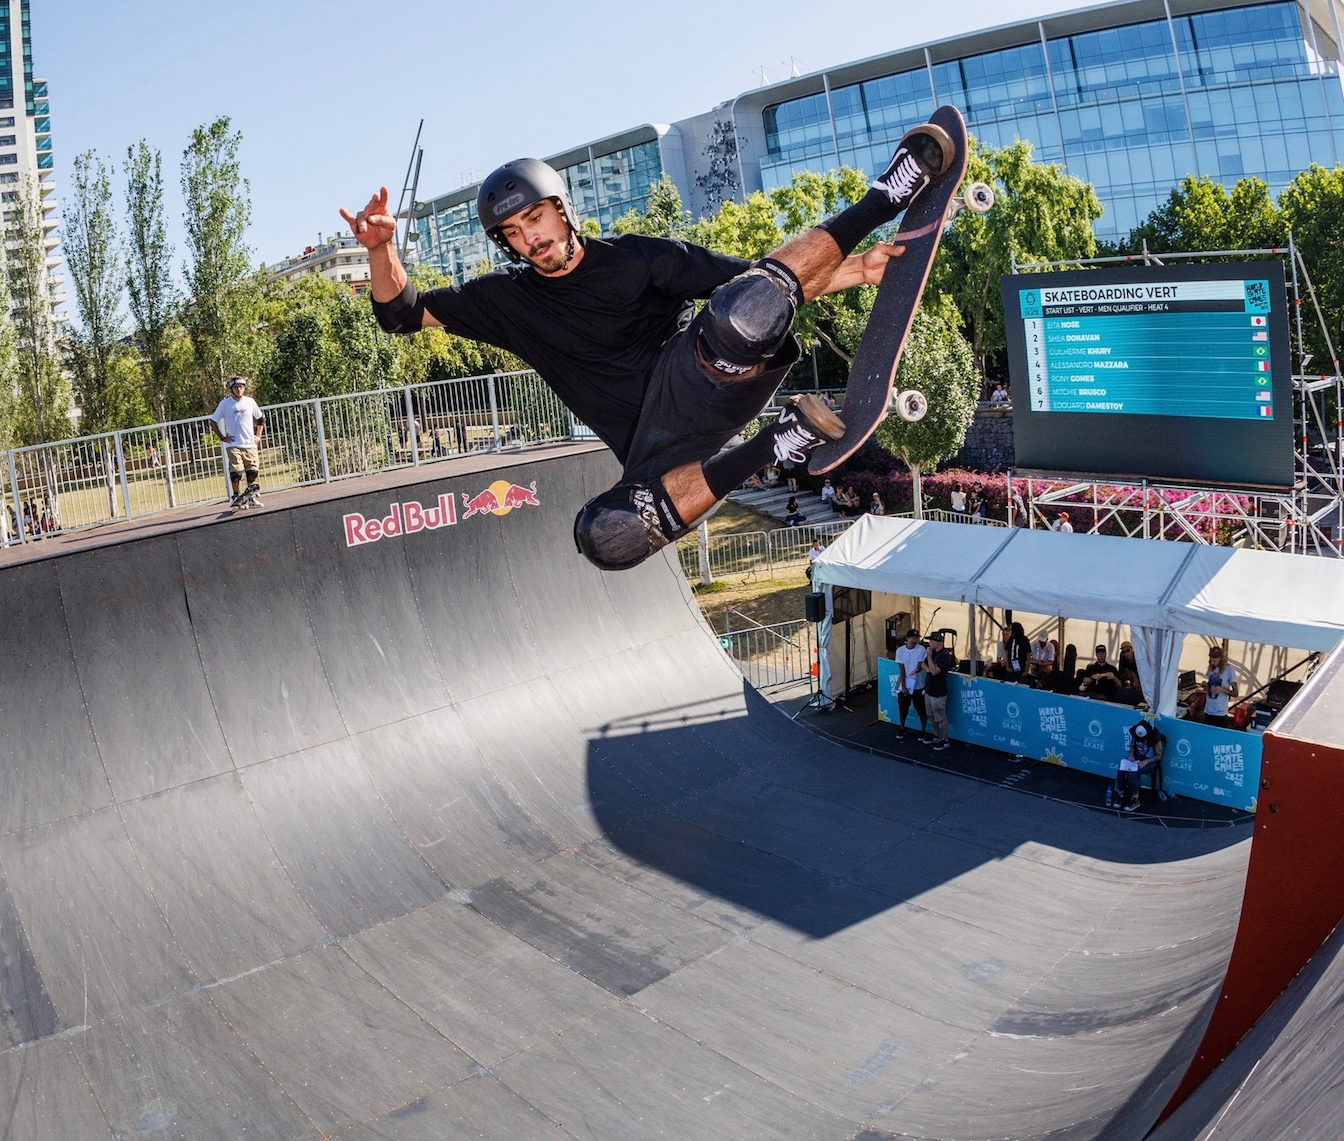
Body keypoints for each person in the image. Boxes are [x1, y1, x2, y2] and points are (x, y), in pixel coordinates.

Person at [342, 124, 956, 572]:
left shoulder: (640, 259)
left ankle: (885, 195)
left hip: (702, 375)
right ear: (506, 244)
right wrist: (379, 250)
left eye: (537, 219)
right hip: (655, 448)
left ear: (561, 210)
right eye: (515, 232)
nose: (532, 238)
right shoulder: (506, 302)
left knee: (743, 314)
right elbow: (401, 313)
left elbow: (762, 282)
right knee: (607, 538)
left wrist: (851, 270)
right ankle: (782, 443)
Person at [210, 376, 267, 508]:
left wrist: (258, 436)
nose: (239, 389)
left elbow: (261, 418)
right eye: (236, 387)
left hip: (250, 444)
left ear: (244, 388)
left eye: (241, 387)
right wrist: (223, 437)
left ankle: (251, 497)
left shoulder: (250, 402)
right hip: (233, 444)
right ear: (232, 389)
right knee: (237, 472)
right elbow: (213, 422)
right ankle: (236, 495)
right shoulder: (225, 404)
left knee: (252, 471)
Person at [1110, 719, 1162, 813]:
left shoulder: (1155, 736)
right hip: (1136, 758)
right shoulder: (1136, 732)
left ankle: (1135, 799)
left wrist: (1146, 761)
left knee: (1132, 774)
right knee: (1121, 768)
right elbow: (1132, 745)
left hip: (1149, 761)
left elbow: (1158, 756)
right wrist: (1131, 754)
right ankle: (1120, 794)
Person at [894, 626, 930, 740]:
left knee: (921, 708)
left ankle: (923, 729)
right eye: (912, 638)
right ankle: (902, 727)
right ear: (907, 638)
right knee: (903, 707)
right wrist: (903, 686)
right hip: (905, 682)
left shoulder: (921, 649)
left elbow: (921, 664)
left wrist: (919, 669)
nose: (914, 640)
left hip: (918, 684)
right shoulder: (900, 651)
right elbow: (902, 669)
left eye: (916, 638)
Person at [922, 629, 955, 749]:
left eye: (931, 641)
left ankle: (946, 740)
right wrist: (928, 668)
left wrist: (929, 658)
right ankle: (936, 734)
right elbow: (923, 664)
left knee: (941, 717)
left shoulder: (945, 656)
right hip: (929, 690)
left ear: (937, 642)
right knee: (931, 715)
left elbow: (935, 672)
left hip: (938, 692)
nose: (929, 643)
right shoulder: (933, 651)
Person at [1203, 645, 1238, 726]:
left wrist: (1222, 689)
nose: (1212, 663)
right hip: (1208, 709)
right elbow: (1210, 685)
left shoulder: (1229, 669)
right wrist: (1205, 685)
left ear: (1221, 659)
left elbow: (1235, 693)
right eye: (1211, 660)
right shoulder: (1211, 667)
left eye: (1214, 661)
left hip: (1220, 712)